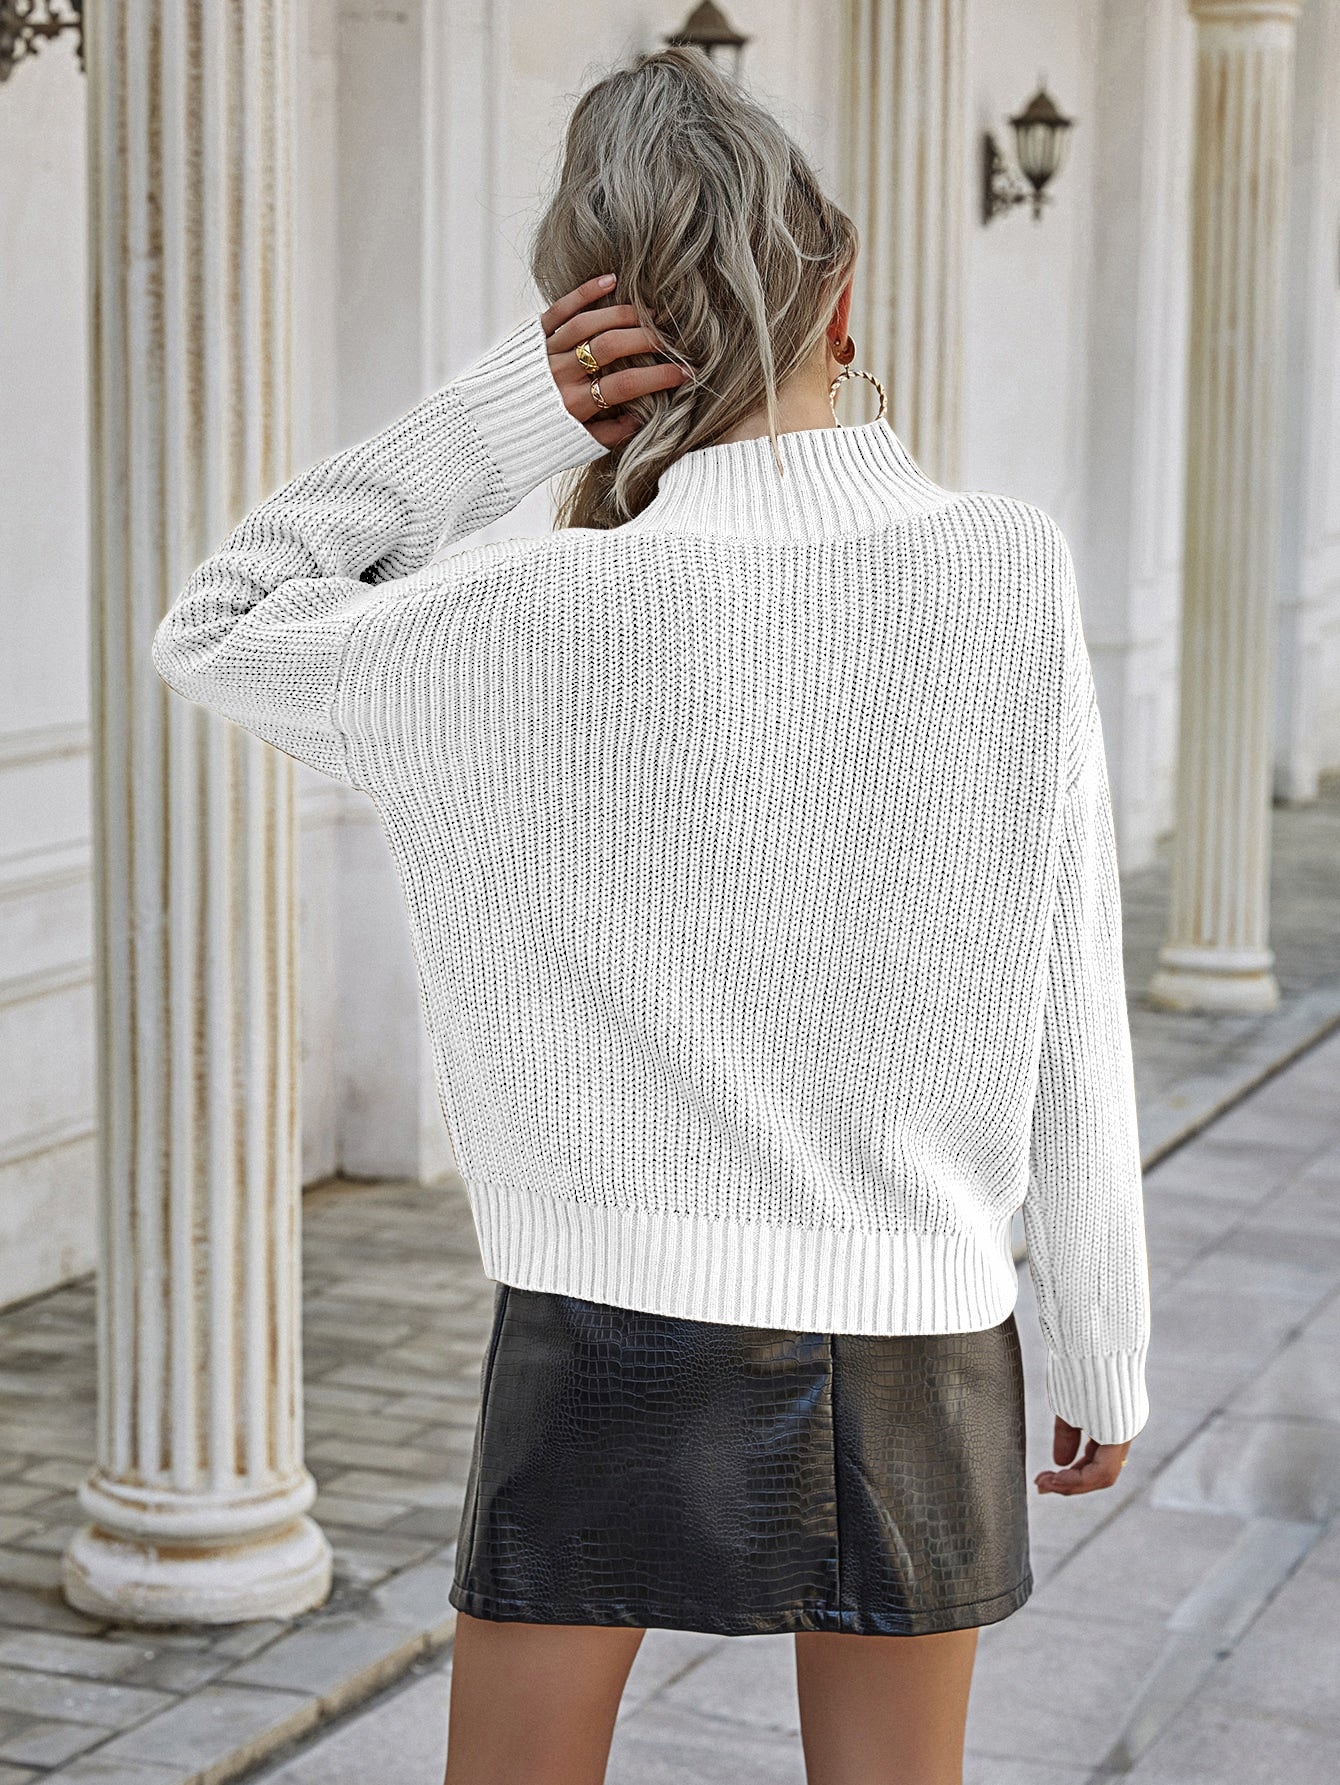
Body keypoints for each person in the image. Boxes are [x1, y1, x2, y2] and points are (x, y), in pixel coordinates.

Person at [151, 44, 1151, 1785]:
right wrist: (1101, 1334)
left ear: (592, 339)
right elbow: (1068, 971)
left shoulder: (509, 615)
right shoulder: (1004, 567)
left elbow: (222, 621)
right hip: (919, 1323)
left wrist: (500, 417)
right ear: (843, 298)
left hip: (597, 1316)